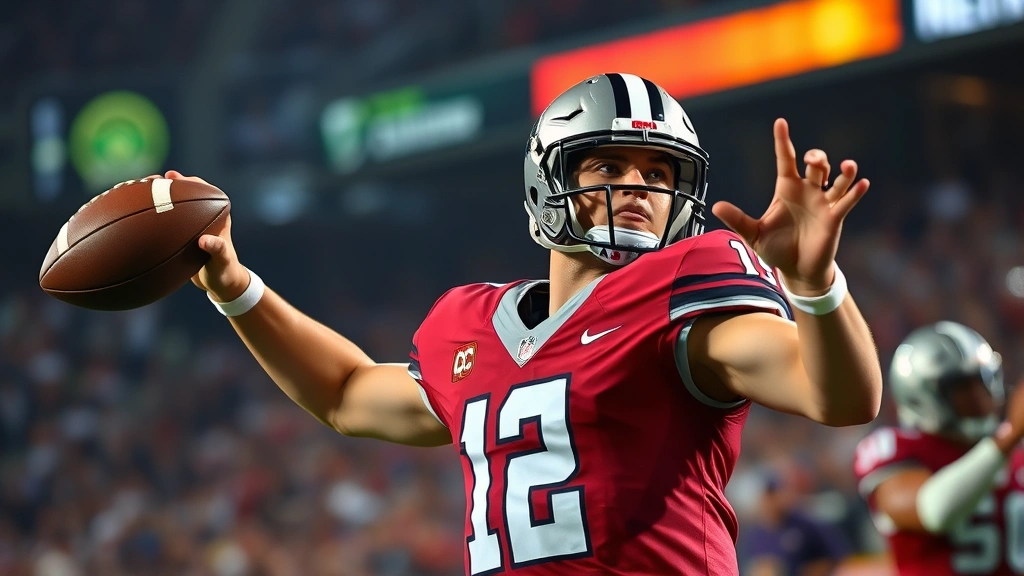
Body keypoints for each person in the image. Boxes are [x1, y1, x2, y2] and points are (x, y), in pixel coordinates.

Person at [171, 73, 882, 575]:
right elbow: (345, 393)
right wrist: (236, 290)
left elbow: (841, 398)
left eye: (661, 175)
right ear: (548, 180)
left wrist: (813, 286)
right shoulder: (470, 325)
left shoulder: (684, 297)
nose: (639, 186)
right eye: (609, 163)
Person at [854, 321, 1024, 575]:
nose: (981, 396)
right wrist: (1009, 437)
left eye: (983, 380)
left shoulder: (1015, 449)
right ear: (922, 394)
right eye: (963, 387)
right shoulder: (896, 447)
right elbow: (933, 511)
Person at [744, 467, 850, 576]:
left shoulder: (806, 524)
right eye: (769, 495)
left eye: (776, 493)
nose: (773, 500)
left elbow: (837, 555)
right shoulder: (756, 535)